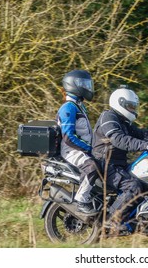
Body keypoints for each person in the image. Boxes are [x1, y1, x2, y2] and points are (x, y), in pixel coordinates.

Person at [92, 86, 148, 229]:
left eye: (134, 106)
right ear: (120, 103)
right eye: (130, 106)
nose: (133, 110)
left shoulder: (123, 121)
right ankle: (112, 221)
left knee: (146, 180)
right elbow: (118, 139)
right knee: (133, 186)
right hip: (105, 164)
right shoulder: (109, 117)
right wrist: (145, 146)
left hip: (117, 163)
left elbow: (141, 134)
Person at [56, 69, 99, 216]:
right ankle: (81, 200)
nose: (88, 87)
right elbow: (68, 137)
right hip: (71, 150)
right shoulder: (68, 107)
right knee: (91, 167)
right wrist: (89, 149)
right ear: (74, 85)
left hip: (79, 149)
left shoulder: (78, 106)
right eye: (84, 84)